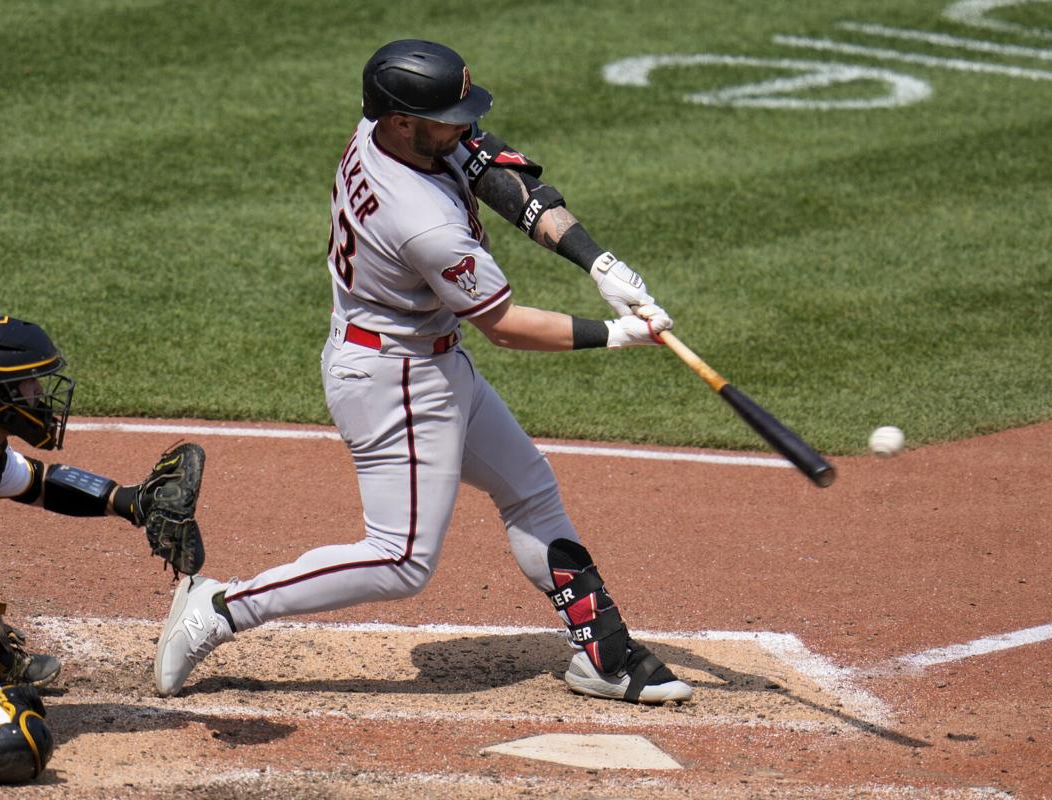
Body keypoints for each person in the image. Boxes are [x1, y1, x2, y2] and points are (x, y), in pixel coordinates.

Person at [155, 39, 692, 705]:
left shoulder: (389, 134)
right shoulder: (421, 220)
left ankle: (602, 655)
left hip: (426, 359)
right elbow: (504, 325)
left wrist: (596, 262)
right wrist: (615, 334)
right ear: (404, 120)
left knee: (529, 488)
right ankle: (219, 608)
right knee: (401, 559)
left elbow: (499, 171)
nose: (464, 127)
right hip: (394, 380)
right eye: (448, 118)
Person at [0, 314, 204, 783]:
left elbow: (41, 483)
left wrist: (129, 502)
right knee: (11, 740)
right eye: (29, 384)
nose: (41, 395)